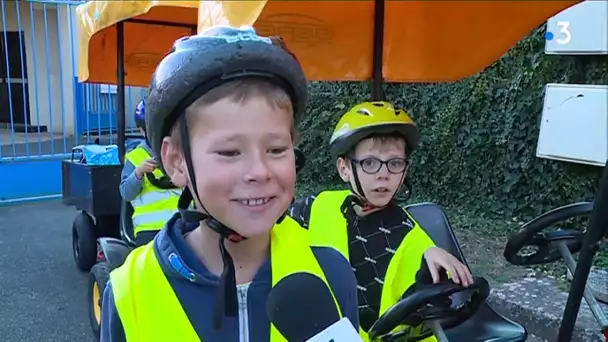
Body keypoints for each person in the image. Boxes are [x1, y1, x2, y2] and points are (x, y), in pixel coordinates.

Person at [100, 26, 359, 341]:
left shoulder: (331, 273)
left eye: (277, 150)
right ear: (176, 161)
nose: (259, 171)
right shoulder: (130, 292)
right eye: (229, 152)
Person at [289, 101, 474, 341]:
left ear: (404, 171)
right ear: (344, 169)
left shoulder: (412, 237)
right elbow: (268, 233)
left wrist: (429, 279)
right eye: (370, 162)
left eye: (395, 163)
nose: (383, 173)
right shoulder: (315, 207)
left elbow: (418, 317)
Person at [119, 99, 181, 246]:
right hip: (149, 230)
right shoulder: (135, 157)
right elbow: (126, 193)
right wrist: (138, 173)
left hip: (182, 223)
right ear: (143, 131)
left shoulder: (180, 153)